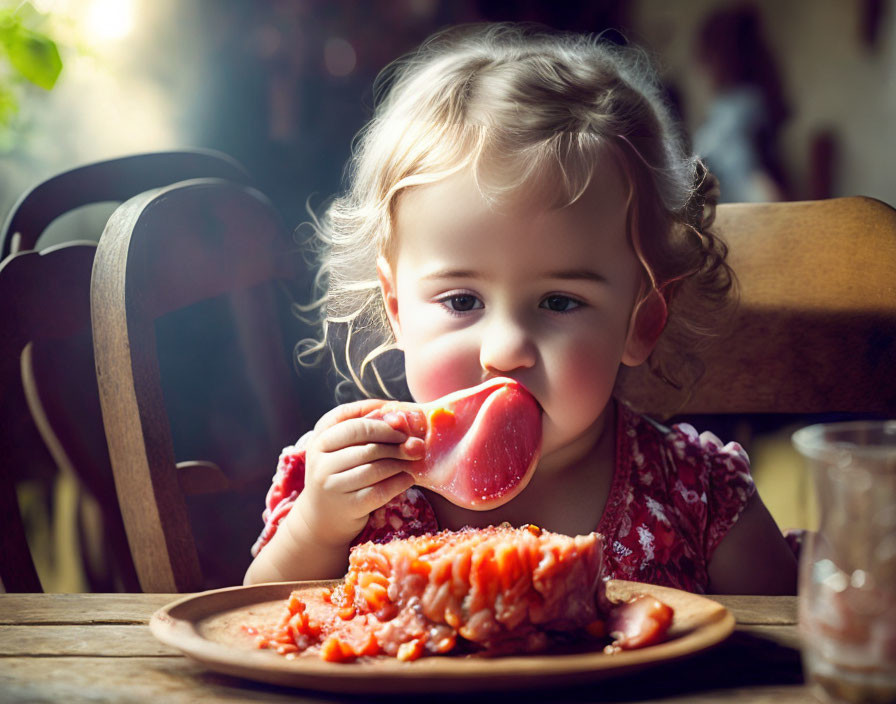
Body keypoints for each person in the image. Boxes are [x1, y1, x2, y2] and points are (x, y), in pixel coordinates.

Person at [244, 23, 797, 595]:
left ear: (642, 321)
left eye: (559, 301)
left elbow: (782, 639)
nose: (505, 348)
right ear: (397, 310)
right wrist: (317, 525)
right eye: (462, 300)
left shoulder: (695, 494)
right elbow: (255, 609)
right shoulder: (356, 486)